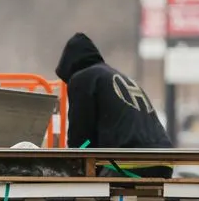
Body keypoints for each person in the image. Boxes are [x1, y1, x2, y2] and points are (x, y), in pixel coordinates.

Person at [55, 32, 173, 179]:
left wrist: (71, 163)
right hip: (164, 161)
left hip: (129, 163)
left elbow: (80, 139)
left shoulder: (82, 78)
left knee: (92, 191)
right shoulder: (113, 77)